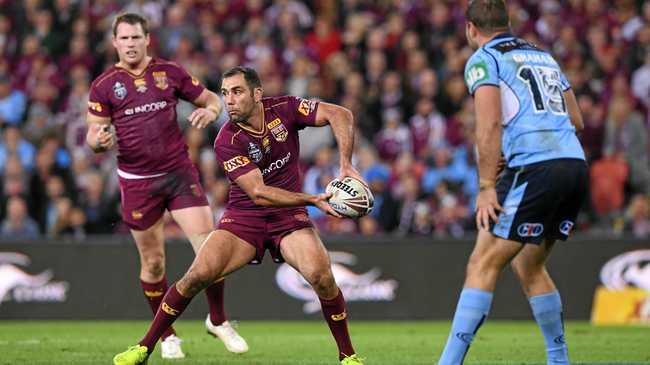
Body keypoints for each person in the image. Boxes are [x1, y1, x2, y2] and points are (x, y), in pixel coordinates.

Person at [112, 66, 366, 365]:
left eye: (236, 91)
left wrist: (346, 165)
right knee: (196, 277)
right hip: (245, 218)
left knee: (322, 277)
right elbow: (258, 192)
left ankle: (348, 356)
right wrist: (312, 199)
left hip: (289, 217)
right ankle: (145, 347)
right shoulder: (226, 140)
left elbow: (341, 114)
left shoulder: (284, 108)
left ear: (257, 94)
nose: (229, 100)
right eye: (224, 93)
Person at [86, 13, 248, 359]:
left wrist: (210, 110)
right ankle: (167, 335)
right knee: (154, 263)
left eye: (136, 38)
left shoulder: (170, 72)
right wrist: (99, 141)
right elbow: (93, 136)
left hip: (178, 174)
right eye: (124, 38)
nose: (130, 44)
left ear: (147, 40)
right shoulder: (103, 85)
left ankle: (217, 319)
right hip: (137, 182)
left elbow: (211, 99)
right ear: (115, 43)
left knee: (211, 250)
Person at [437, 1, 587, 364]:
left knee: (482, 263)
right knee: (529, 265)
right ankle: (558, 359)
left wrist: (487, 185)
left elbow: (488, 125)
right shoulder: (543, 56)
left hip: (535, 168)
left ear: (471, 28)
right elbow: (577, 120)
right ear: (508, 23)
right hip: (574, 164)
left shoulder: (483, 59)